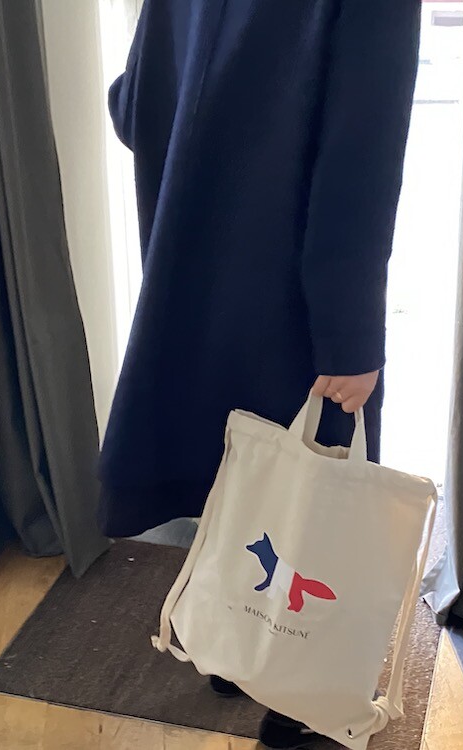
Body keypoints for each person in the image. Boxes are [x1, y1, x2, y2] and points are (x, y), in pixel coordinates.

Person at [102, 1, 421, 747]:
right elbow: (360, 157)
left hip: (194, 272)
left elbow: (130, 105)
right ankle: (298, 701)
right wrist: (350, 337)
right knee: (313, 479)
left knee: (234, 464)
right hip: (296, 288)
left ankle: (231, 648)